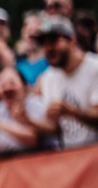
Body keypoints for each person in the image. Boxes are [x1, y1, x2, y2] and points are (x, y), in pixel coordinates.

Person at [34, 15, 98, 148]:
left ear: (72, 41)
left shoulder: (94, 68)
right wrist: (26, 119)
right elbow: (54, 127)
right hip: (71, 160)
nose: (48, 48)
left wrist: (70, 111)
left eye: (53, 40)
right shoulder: (48, 78)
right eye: (43, 43)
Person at [0, 67, 47, 158]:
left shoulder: (37, 104)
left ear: (25, 86)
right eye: (2, 85)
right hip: (4, 165)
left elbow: (34, 140)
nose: (7, 88)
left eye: (12, 83)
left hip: (36, 160)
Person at [14, 10, 49, 88]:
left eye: (36, 30)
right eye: (27, 28)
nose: (32, 31)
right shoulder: (17, 59)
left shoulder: (50, 59)